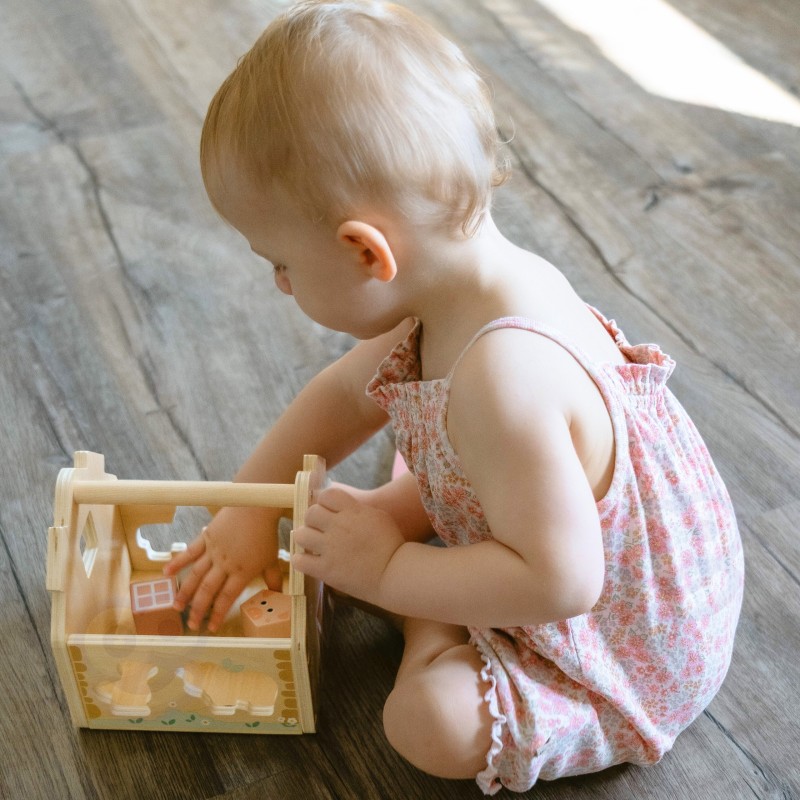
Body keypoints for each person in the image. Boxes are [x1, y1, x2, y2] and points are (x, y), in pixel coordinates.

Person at [165, 1, 744, 793]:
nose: (278, 283)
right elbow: (342, 393)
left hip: (612, 647)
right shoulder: (468, 287)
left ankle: (429, 619)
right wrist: (246, 508)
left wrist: (393, 572)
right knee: (418, 439)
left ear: (366, 251)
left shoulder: (503, 378)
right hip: (560, 537)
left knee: (426, 725)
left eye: (280, 264)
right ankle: (418, 564)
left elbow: (563, 582)